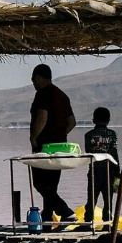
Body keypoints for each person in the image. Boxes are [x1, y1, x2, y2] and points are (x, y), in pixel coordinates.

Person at [28, 63, 77, 223]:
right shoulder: (62, 96)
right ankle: (47, 218)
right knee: (51, 185)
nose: (33, 83)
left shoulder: (43, 94)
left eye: (34, 80)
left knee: (39, 183)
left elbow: (42, 117)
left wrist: (34, 137)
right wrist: (60, 134)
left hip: (44, 146)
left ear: (39, 77)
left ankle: (65, 211)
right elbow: (72, 122)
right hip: (60, 147)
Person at [83, 106, 119, 223]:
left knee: (91, 199)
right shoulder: (112, 135)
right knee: (108, 199)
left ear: (93, 120)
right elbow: (114, 154)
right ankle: (107, 223)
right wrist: (118, 172)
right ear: (108, 120)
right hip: (109, 171)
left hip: (94, 171)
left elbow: (89, 153)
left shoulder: (88, 135)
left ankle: (88, 222)